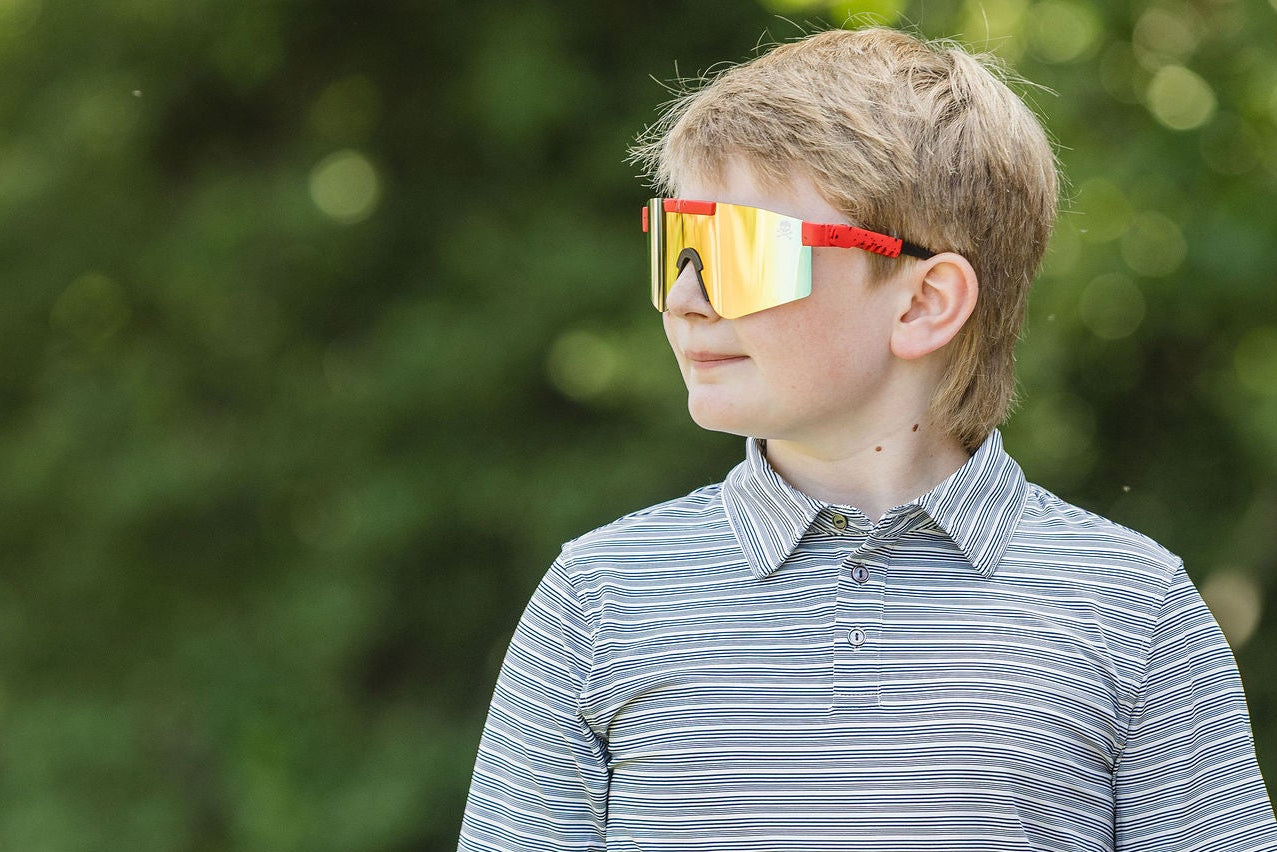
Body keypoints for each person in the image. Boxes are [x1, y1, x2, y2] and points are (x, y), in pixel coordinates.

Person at [457, 26, 1277, 851]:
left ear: (923, 304)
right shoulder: (599, 598)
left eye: (737, 253)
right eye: (679, 246)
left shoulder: (1131, 611)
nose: (685, 299)